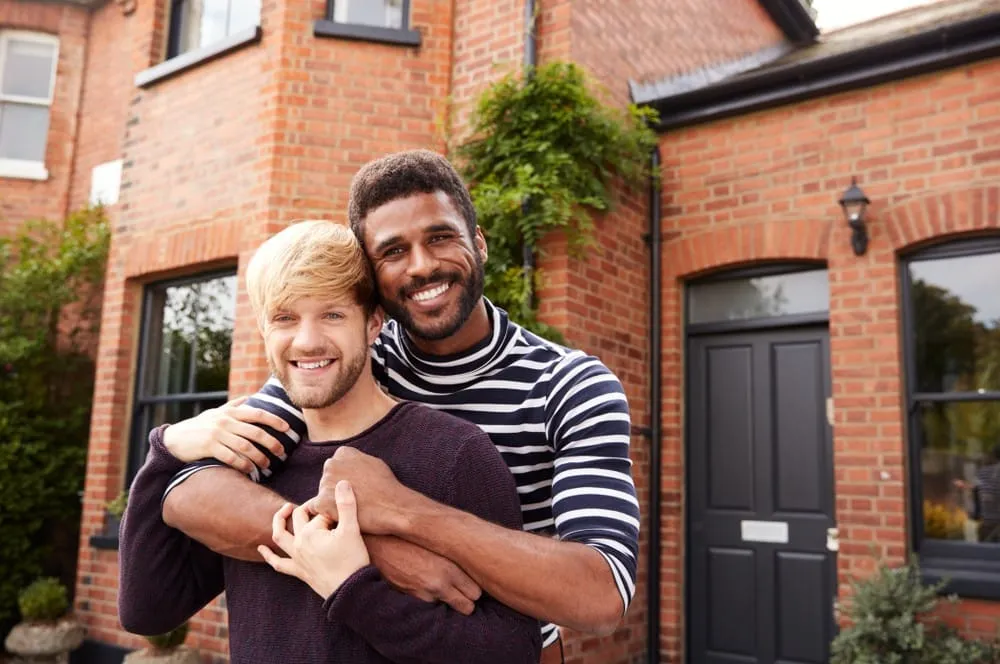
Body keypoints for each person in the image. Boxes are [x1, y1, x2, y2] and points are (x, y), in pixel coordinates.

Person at [159, 150, 640, 656]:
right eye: (392, 251)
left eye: (440, 237)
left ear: (478, 243)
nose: (422, 265)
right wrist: (381, 551)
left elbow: (602, 594)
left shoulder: (569, 385)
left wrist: (408, 515)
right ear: (371, 276)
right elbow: (192, 494)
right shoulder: (346, 362)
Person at [117, 220, 542, 663]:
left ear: (373, 323)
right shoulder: (253, 460)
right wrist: (166, 451)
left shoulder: (455, 453)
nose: (307, 341)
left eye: (332, 314)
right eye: (285, 318)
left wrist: (356, 589)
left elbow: (515, 650)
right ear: (264, 329)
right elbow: (147, 611)